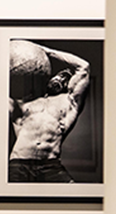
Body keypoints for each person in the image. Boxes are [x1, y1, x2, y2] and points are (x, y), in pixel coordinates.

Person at [7, 40, 92, 182]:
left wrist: (46, 51)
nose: (62, 77)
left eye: (67, 76)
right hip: (19, 164)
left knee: (74, 199)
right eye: (60, 74)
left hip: (51, 165)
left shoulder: (69, 104)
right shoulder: (24, 101)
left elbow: (84, 66)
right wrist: (37, 54)